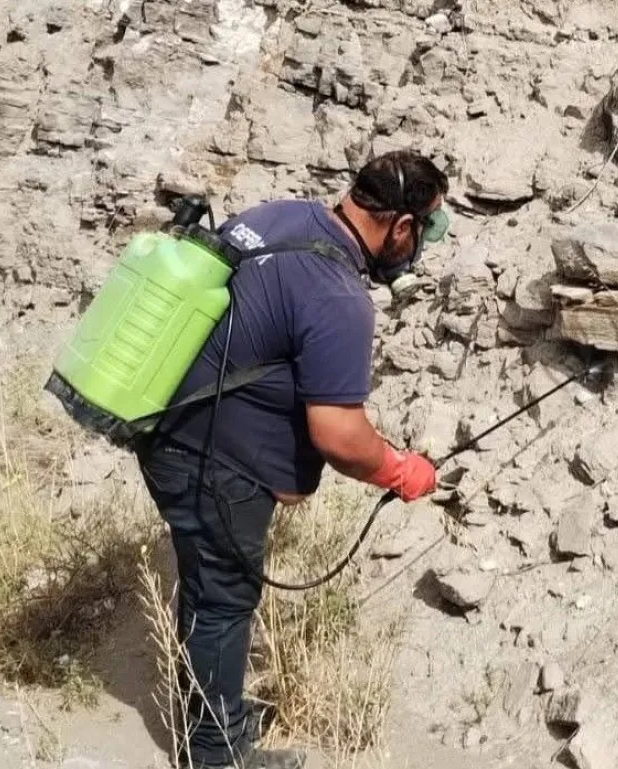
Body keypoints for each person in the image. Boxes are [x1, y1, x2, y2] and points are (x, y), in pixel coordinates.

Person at [135, 150, 451, 769]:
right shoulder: (339, 296)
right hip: (215, 464)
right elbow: (337, 433)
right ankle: (216, 755)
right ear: (403, 227)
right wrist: (399, 470)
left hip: (169, 430)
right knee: (224, 598)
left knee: (206, 587)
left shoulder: (279, 217)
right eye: (428, 231)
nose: (422, 248)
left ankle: (213, 713)